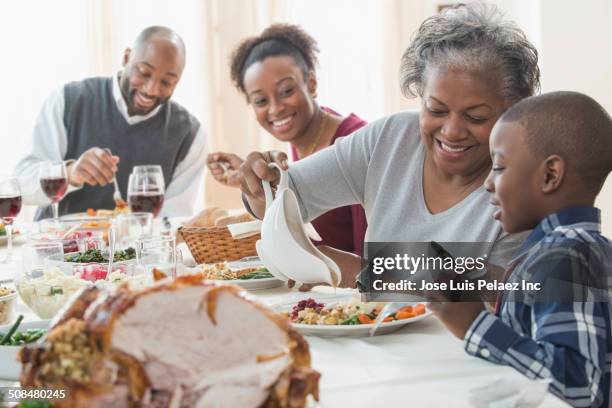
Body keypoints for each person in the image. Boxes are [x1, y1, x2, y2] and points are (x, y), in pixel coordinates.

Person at [238, 4, 540, 286]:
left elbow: (484, 293)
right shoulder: (390, 139)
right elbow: (285, 197)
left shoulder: (524, 190)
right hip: (374, 335)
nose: (452, 131)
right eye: (436, 110)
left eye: (475, 117)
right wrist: (260, 186)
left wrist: (345, 267)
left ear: (513, 112)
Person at [431, 91, 612, 407]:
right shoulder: (566, 250)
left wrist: (476, 325)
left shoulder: (565, 257)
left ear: (550, 175)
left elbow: (579, 388)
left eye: (498, 168)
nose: (488, 182)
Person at [206, 24, 368, 256]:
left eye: (286, 91)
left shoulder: (355, 145)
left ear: (311, 83)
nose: (276, 109)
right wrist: (257, 184)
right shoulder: (302, 141)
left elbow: (376, 263)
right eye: (261, 101)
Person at [15, 26, 206, 219]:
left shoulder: (190, 135)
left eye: (166, 82)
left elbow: (173, 218)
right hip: (58, 245)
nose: (151, 90)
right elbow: (21, 182)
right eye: (144, 73)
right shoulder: (68, 101)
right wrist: (70, 173)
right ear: (126, 57)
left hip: (136, 248)